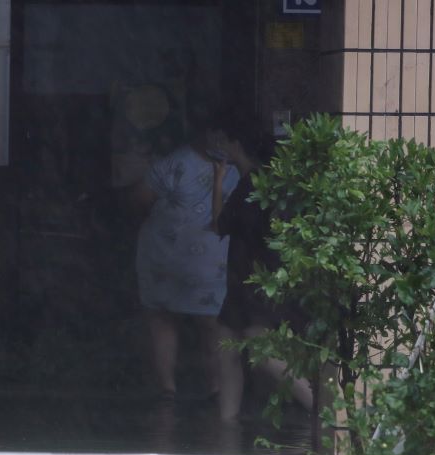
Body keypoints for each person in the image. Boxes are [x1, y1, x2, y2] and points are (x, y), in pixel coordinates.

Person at [132, 116, 241, 402]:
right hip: (200, 259)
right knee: (208, 324)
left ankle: (170, 388)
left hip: (174, 256)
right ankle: (215, 388)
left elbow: (140, 199)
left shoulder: (174, 163)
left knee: (166, 319)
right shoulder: (240, 169)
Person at [214, 135, 314, 422]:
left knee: (257, 342)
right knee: (227, 340)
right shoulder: (279, 186)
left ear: (236, 145)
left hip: (254, 277)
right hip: (258, 276)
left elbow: (219, 223)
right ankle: (227, 420)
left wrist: (218, 181)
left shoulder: (251, 183)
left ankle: (321, 410)